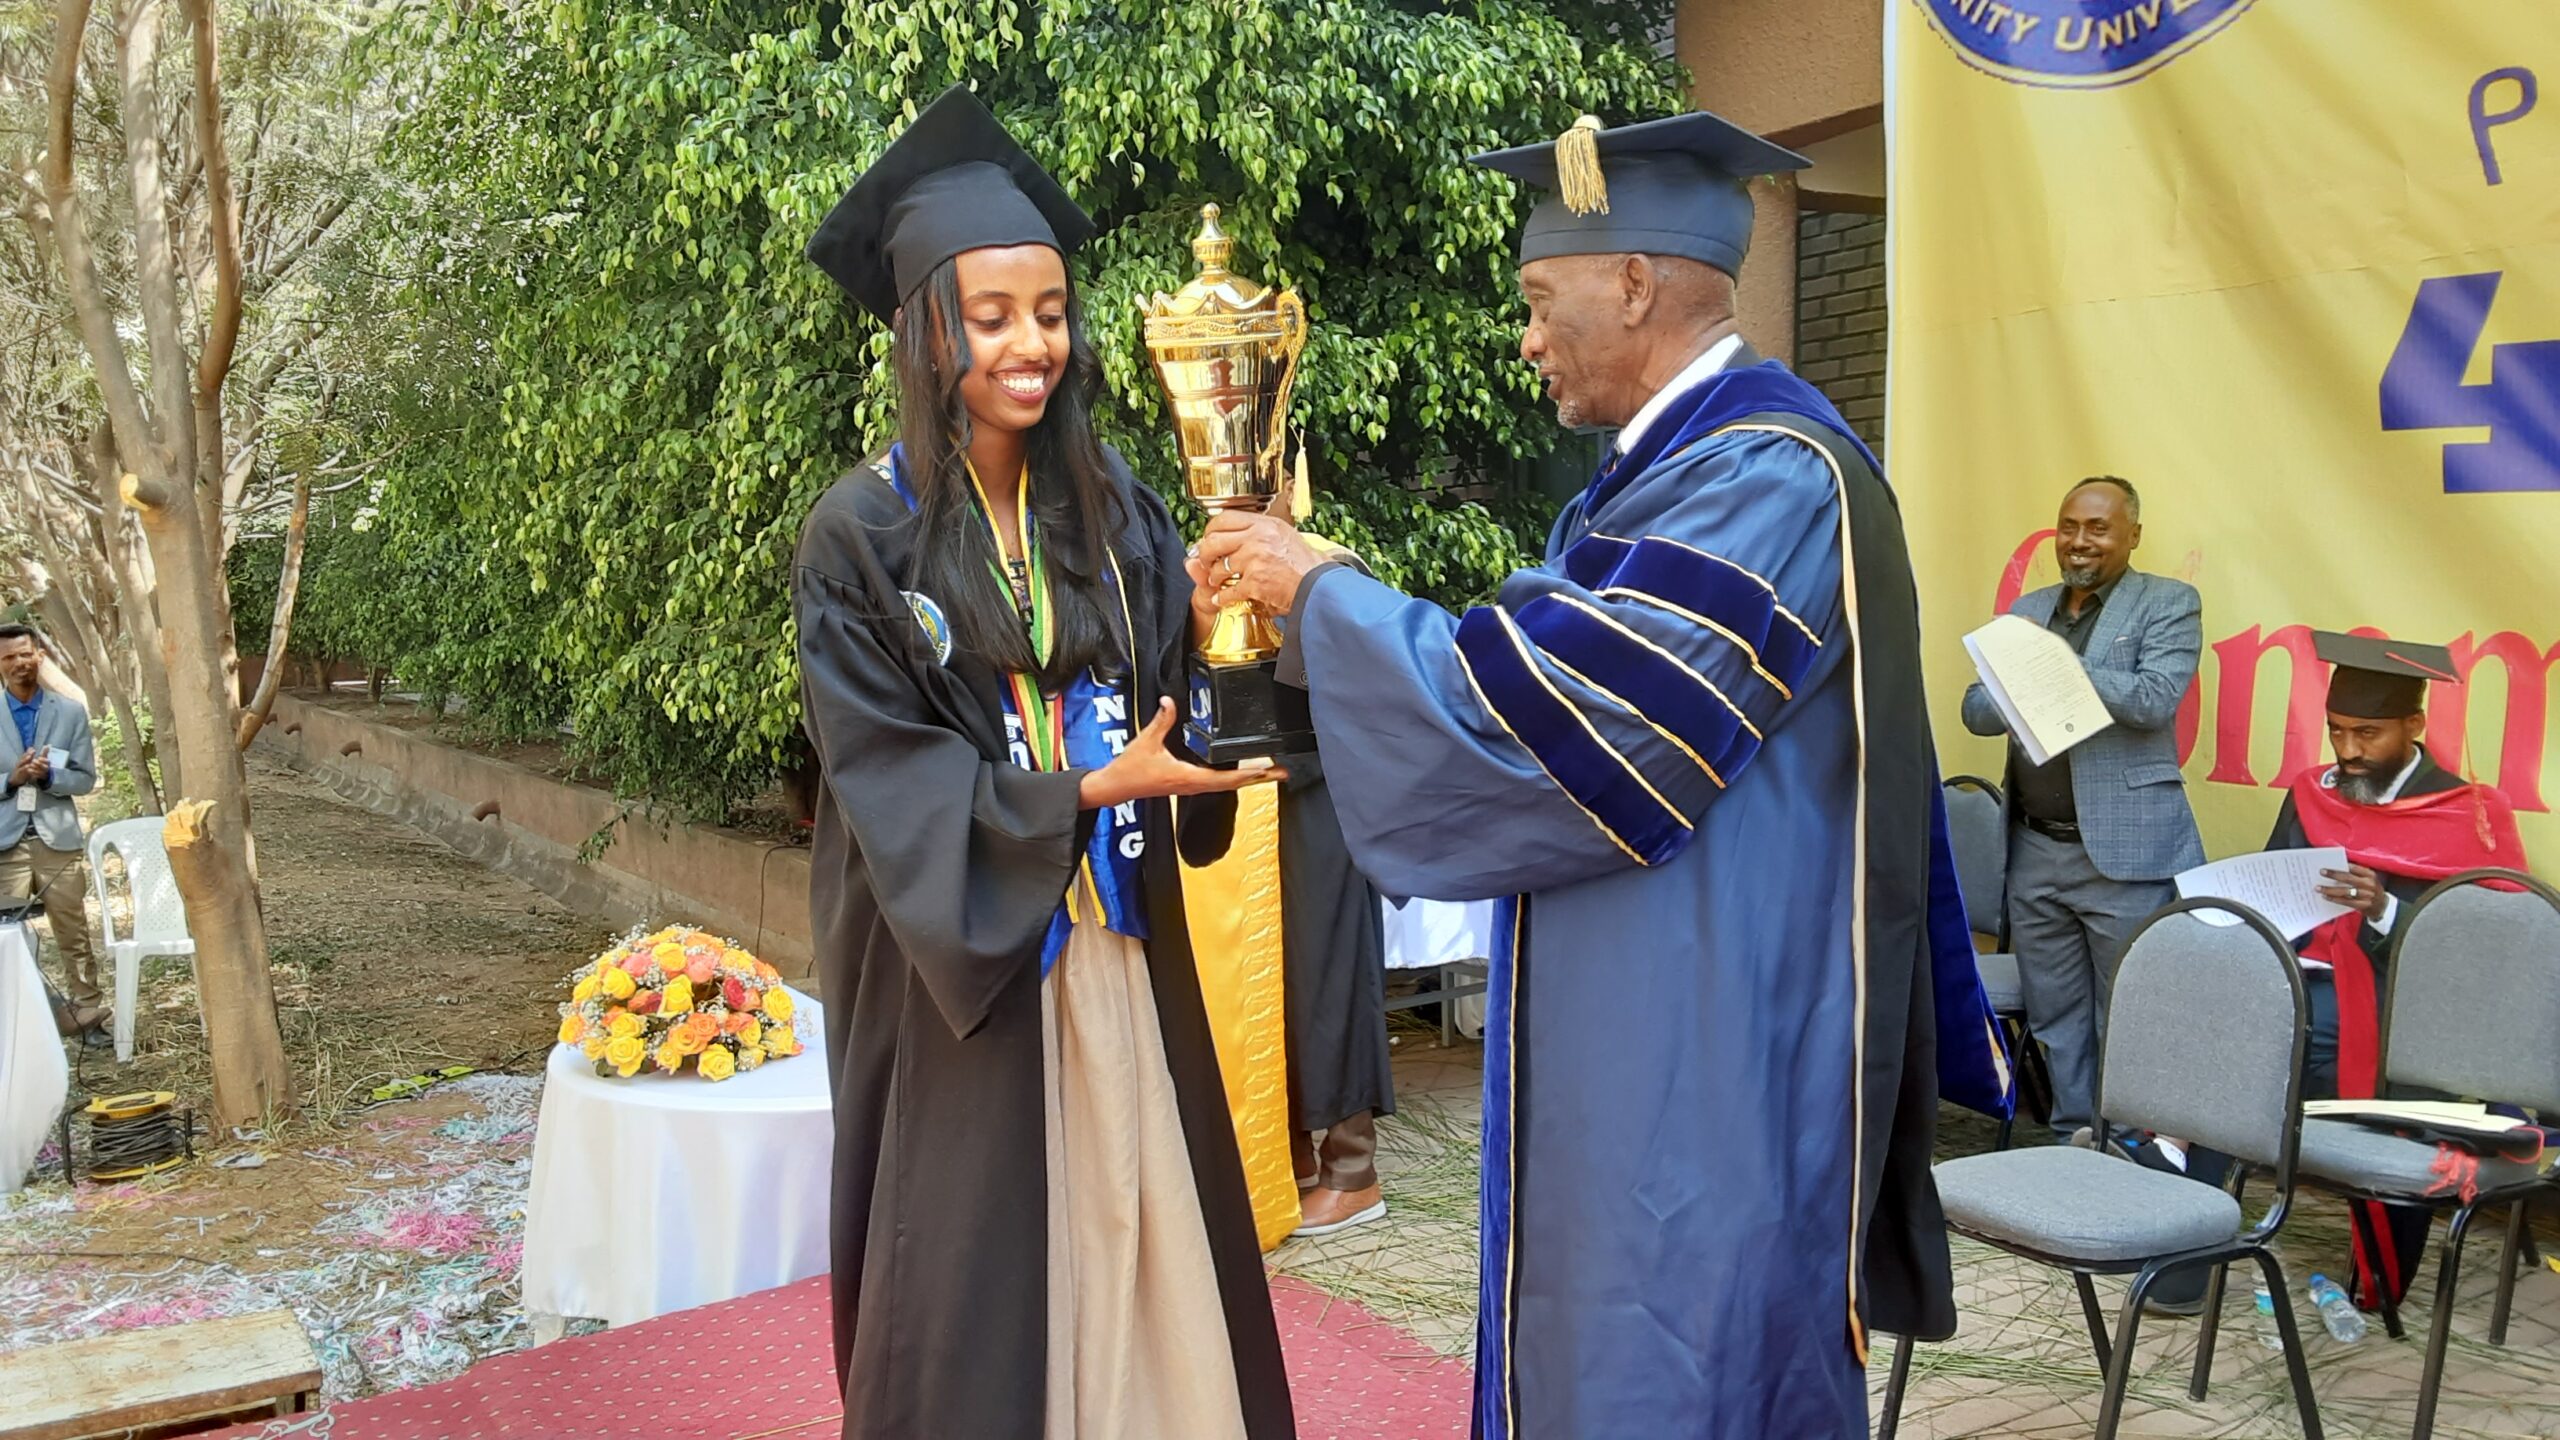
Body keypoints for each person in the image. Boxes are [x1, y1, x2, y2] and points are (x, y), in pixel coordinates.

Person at [1193, 109, 2005, 1438]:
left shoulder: (1769, 476)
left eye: (1536, 298)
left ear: (1632, 283)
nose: (1524, 338)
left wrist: (1324, 593)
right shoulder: (1661, 481)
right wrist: (1303, 620)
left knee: (1682, 1366)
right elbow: (1527, 668)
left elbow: (1574, 726)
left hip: (1710, 1049)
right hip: (1644, 1032)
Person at [792, 87, 1291, 1440]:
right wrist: (1075, 792)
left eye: (1053, 313)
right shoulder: (861, 536)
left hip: (1117, 941)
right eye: (994, 315)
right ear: (928, 329)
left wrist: (1229, 640)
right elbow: (885, 771)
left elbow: (1173, 699)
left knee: (1140, 1212)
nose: (1032, 346)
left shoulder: (1112, 502)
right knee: (974, 1267)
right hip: (963, 970)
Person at [2147, 633, 2527, 1313]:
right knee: (2223, 1028)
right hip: (2301, 980)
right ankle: (2185, 1252)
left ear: (2414, 725)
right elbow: (2272, 885)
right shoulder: (2313, 793)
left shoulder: (2468, 811)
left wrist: (2384, 910)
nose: (2348, 750)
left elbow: (2484, 952)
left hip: (2400, 1006)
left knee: (2245, 1051)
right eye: (2337, 730)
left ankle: (2170, 1159)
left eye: (2368, 734)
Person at [1961, 477, 2203, 1141]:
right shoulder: (2029, 610)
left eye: (2098, 527)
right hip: (2035, 847)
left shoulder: (2169, 602)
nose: (2079, 541)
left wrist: (2056, 665)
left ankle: (2127, 1148)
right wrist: (2014, 677)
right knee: (2055, 1016)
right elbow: (1977, 711)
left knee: (2127, 1011)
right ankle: (2071, 1139)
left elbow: (2154, 698)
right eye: (2069, 526)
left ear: (2132, 535)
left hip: (2126, 854)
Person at [1, 623, 104, 1044]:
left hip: (57, 840)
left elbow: (85, 779)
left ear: (39, 655)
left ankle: (88, 1015)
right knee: (6, 937)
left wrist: (48, 778)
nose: (19, 663)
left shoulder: (70, 712)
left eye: (25, 654)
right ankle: (20, 1024)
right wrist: (11, 779)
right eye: (9, 657)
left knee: (73, 932)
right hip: (5, 843)